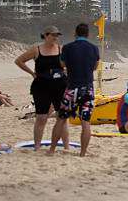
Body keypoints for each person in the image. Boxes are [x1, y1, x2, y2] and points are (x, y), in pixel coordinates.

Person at [48, 23, 100, 157]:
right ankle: (82, 153)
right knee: (86, 122)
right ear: (88, 35)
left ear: (75, 34)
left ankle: (52, 150)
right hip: (87, 89)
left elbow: (62, 64)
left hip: (72, 88)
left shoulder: (67, 48)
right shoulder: (94, 48)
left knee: (61, 119)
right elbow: (95, 66)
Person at [15, 26, 69, 151]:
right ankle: (37, 147)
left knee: (62, 117)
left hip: (60, 86)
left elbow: (69, 63)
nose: (55, 38)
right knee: (41, 117)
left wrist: (66, 70)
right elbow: (19, 61)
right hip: (41, 86)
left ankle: (66, 146)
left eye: (57, 35)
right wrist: (32, 73)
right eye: (53, 35)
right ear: (45, 35)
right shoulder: (37, 50)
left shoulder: (61, 49)